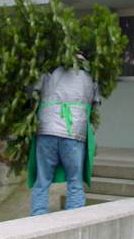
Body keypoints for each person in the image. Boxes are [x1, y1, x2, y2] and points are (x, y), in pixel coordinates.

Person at [27, 52, 100, 216]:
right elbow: (95, 103)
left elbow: (32, 93)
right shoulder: (89, 77)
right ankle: (73, 221)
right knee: (74, 181)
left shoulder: (49, 72)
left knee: (42, 179)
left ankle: (37, 218)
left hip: (46, 130)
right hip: (74, 132)